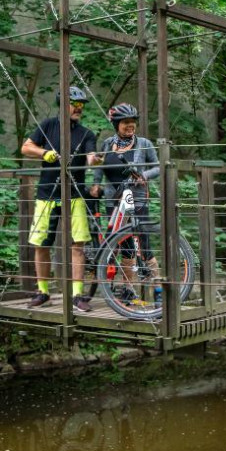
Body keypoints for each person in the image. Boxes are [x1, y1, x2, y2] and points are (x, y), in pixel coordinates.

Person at [21, 86, 98, 311]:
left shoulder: (87, 134)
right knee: (41, 244)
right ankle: (43, 292)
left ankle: (77, 295)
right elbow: (26, 147)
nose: (79, 108)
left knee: (78, 245)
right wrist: (44, 153)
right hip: (47, 194)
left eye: (81, 105)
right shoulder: (48, 125)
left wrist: (96, 159)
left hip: (75, 196)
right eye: (75, 104)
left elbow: (91, 157)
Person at [88, 103, 163, 303]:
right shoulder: (107, 144)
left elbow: (158, 167)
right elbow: (100, 166)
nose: (130, 125)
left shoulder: (144, 143)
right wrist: (96, 184)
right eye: (125, 122)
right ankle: (129, 289)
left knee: (144, 244)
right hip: (113, 199)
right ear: (116, 124)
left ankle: (158, 290)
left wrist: (144, 176)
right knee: (125, 245)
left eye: (133, 122)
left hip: (136, 197)